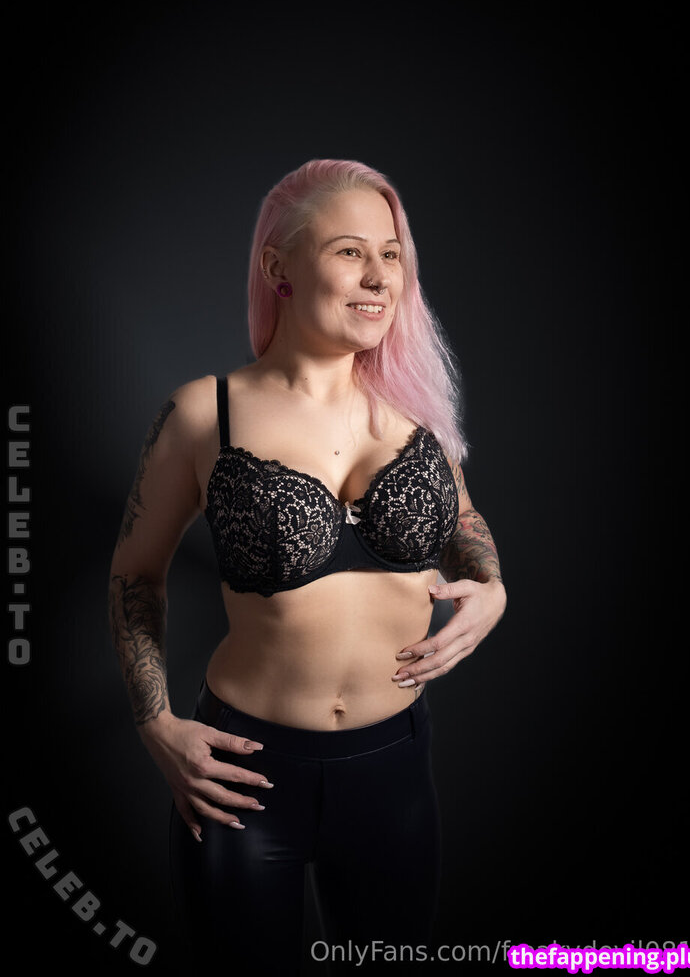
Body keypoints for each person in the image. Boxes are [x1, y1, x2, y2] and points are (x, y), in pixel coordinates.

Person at [107, 159, 507, 973]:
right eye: (350, 251)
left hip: (394, 771)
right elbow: (134, 576)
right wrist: (156, 725)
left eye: (391, 255)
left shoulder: (415, 417)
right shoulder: (205, 413)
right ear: (278, 266)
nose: (379, 277)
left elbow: (466, 526)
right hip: (246, 777)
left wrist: (493, 590)